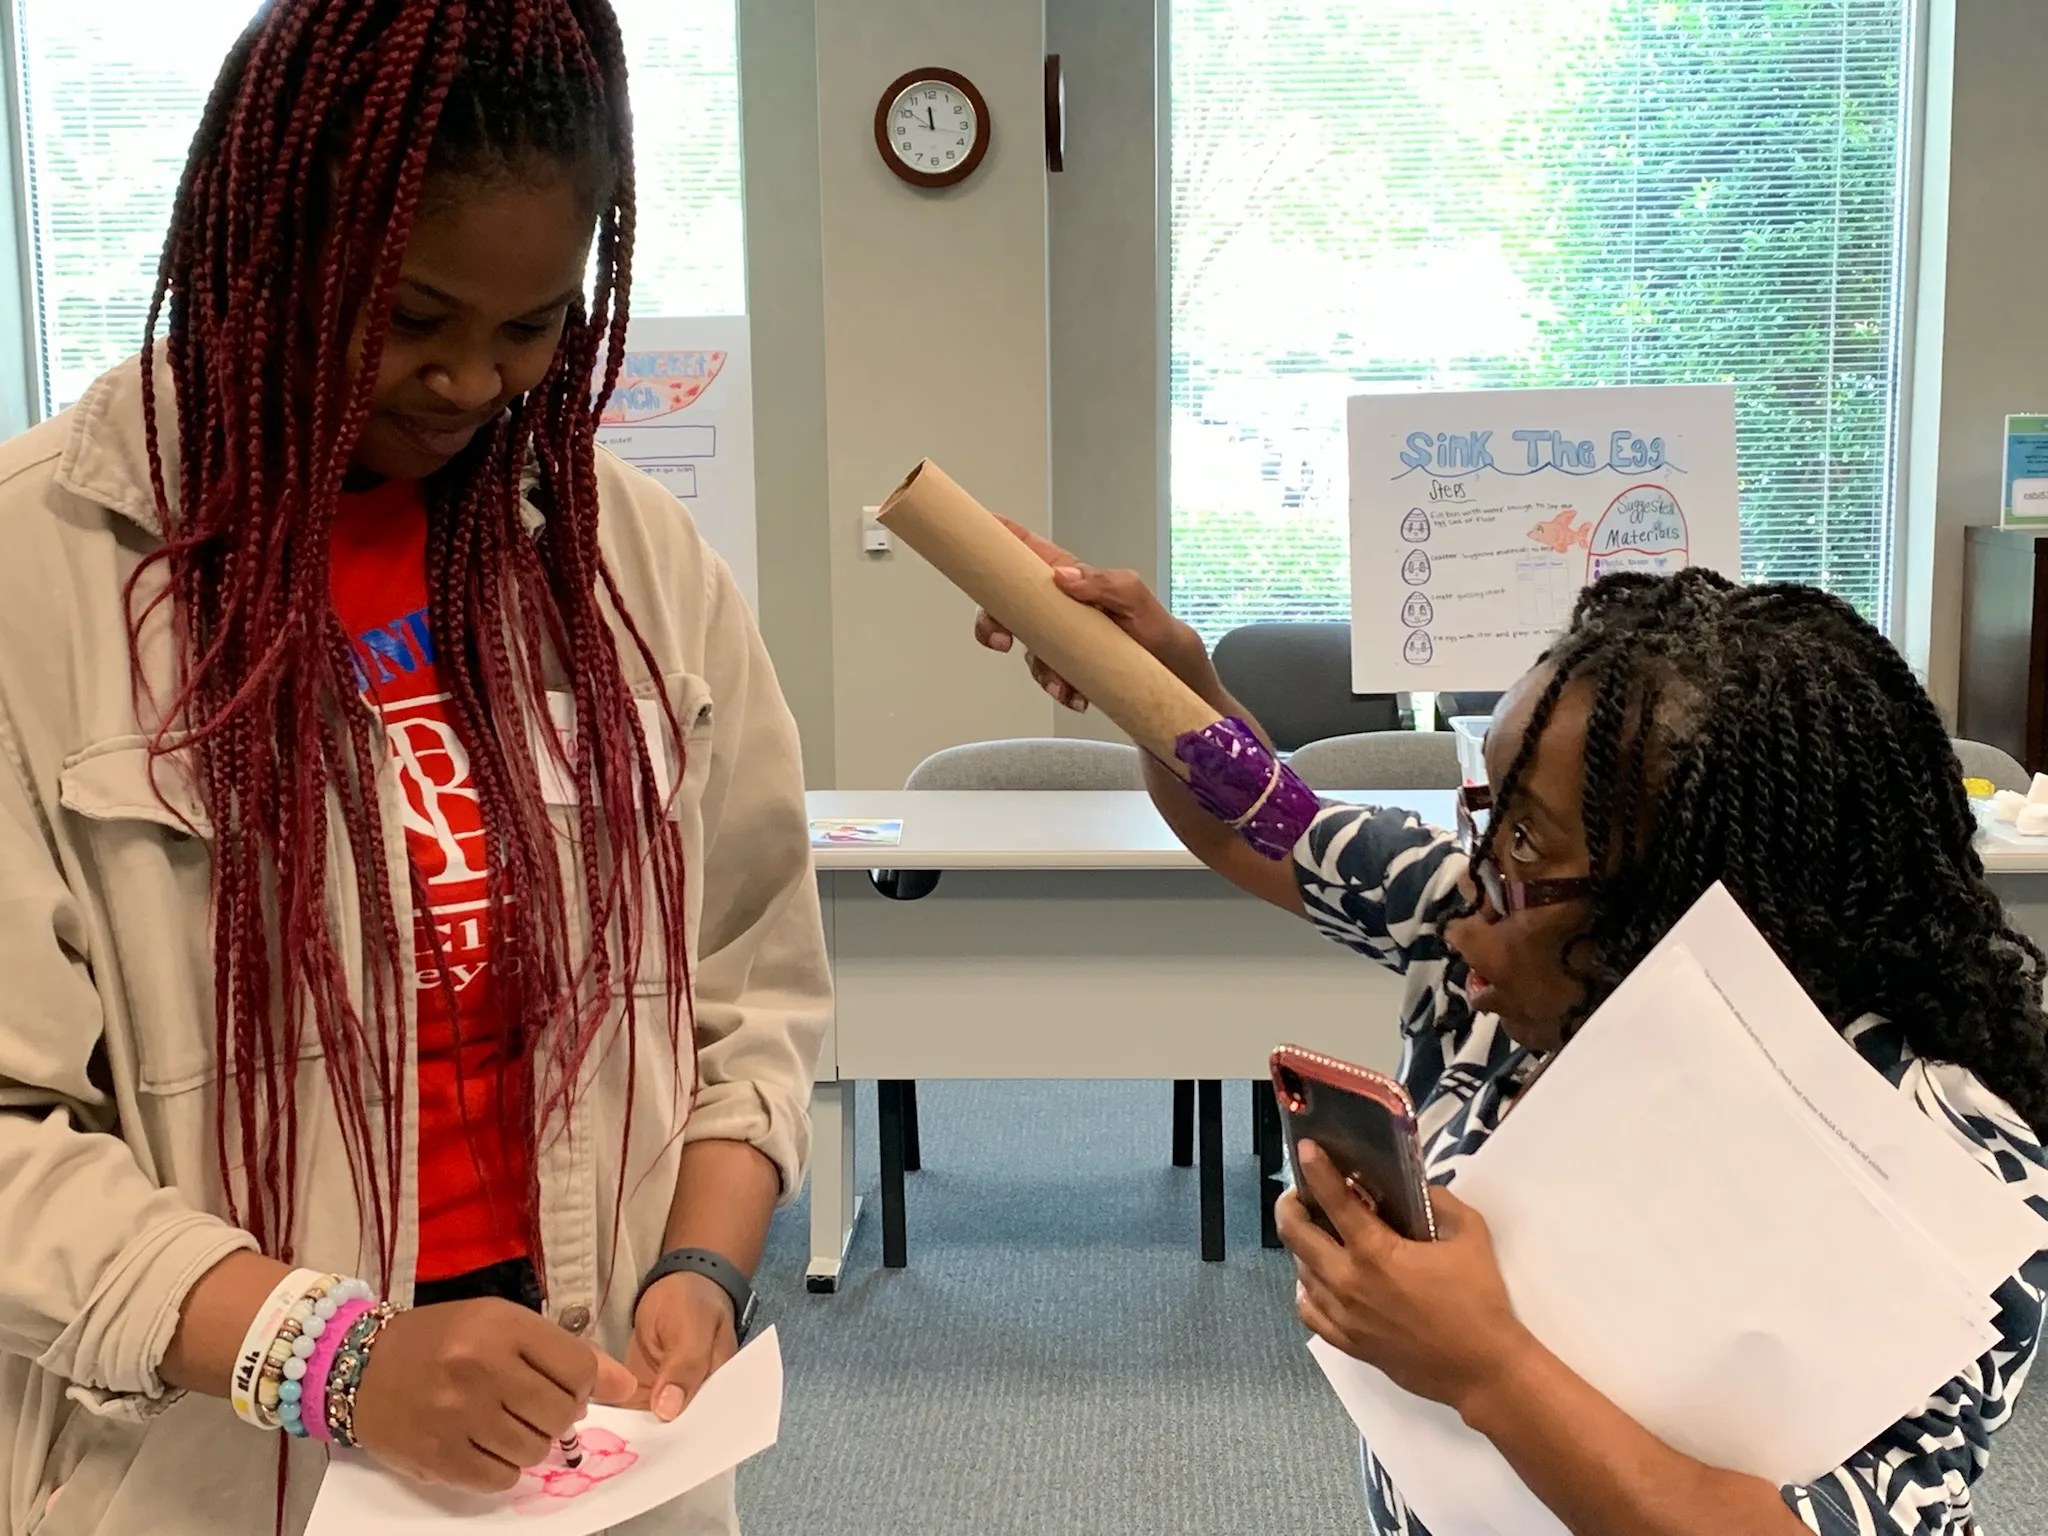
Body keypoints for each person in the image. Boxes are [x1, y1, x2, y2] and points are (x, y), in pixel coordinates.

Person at [0, 4, 828, 1534]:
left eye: (529, 332)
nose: (467, 385)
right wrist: (339, 1358)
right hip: (210, 1441)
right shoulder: (37, 575)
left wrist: (702, 1267)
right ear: (267, 249)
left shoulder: (631, 567)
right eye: (411, 317)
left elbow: (752, 988)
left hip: (582, 1429)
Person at [974, 535, 2048, 1536]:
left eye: (1523, 833)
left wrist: (1485, 1368)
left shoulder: (1952, 1161)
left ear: (1702, 897)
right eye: (1483, 808)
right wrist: (1160, 679)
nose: (1471, 871)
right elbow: (1255, 817)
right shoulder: (1489, 926)